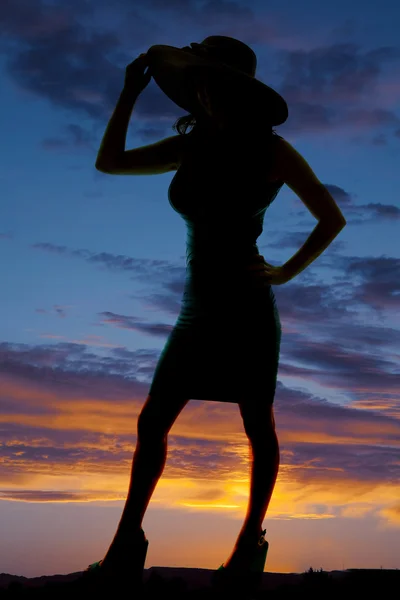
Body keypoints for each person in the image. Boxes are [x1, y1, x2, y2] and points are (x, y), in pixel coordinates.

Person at [90, 36, 346, 593]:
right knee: (152, 421)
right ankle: (124, 545)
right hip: (196, 310)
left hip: (249, 309)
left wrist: (284, 271)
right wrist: (128, 95)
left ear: (233, 90)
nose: (200, 92)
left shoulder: (273, 151)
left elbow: (331, 219)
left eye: (211, 81)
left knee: (258, 425)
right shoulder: (191, 146)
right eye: (195, 82)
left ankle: (248, 544)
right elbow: (108, 163)